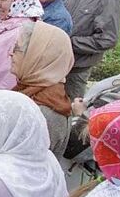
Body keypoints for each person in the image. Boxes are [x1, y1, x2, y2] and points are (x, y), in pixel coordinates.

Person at [63, 0, 120, 101]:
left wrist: (70, 42)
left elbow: (108, 39)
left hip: (77, 67)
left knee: (71, 108)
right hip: (58, 59)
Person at [11, 21, 74, 158]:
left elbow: (20, 168)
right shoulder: (30, 91)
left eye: (17, 49)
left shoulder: (45, 113)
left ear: (37, 57)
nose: (10, 53)